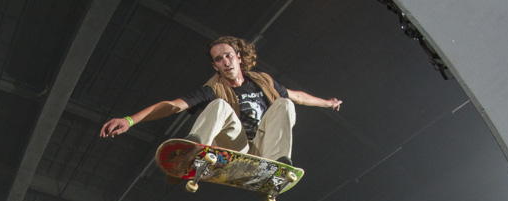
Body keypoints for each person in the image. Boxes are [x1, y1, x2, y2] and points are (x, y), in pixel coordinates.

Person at [100, 36, 342, 166]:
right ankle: (193, 148)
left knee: (285, 104)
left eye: (228, 56)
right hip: (237, 147)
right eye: (219, 59)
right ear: (215, 65)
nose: (225, 62)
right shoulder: (213, 88)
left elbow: (297, 96)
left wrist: (327, 103)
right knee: (218, 105)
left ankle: (277, 165)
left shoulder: (263, 80)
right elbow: (173, 105)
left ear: (238, 56)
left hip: (265, 147)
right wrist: (130, 120)